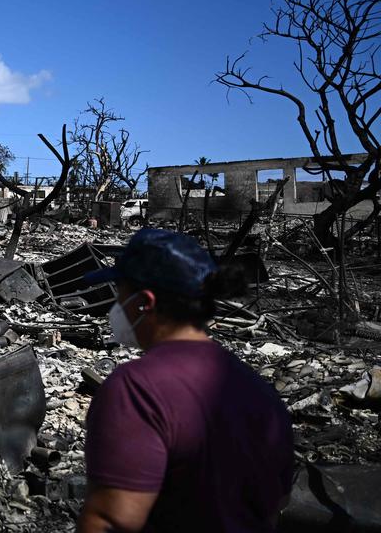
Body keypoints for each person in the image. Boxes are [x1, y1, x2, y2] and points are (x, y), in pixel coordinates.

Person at [78, 228, 292, 533]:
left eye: (120, 292)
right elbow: (275, 506)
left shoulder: (137, 390)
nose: (117, 306)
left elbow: (110, 521)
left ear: (144, 302)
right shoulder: (260, 392)